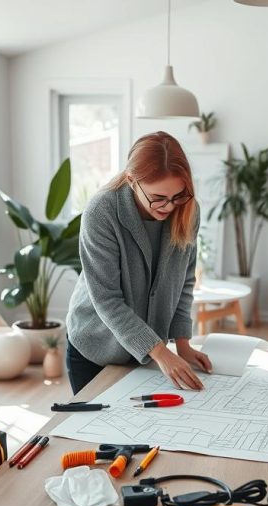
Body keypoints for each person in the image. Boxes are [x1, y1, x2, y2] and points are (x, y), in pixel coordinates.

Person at [65, 131, 211, 395]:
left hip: (147, 354)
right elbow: (107, 299)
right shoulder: (102, 211)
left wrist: (183, 344)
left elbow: (185, 281)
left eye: (178, 196)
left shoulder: (188, 210)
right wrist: (161, 353)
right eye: (158, 197)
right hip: (95, 349)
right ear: (132, 180)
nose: (168, 207)